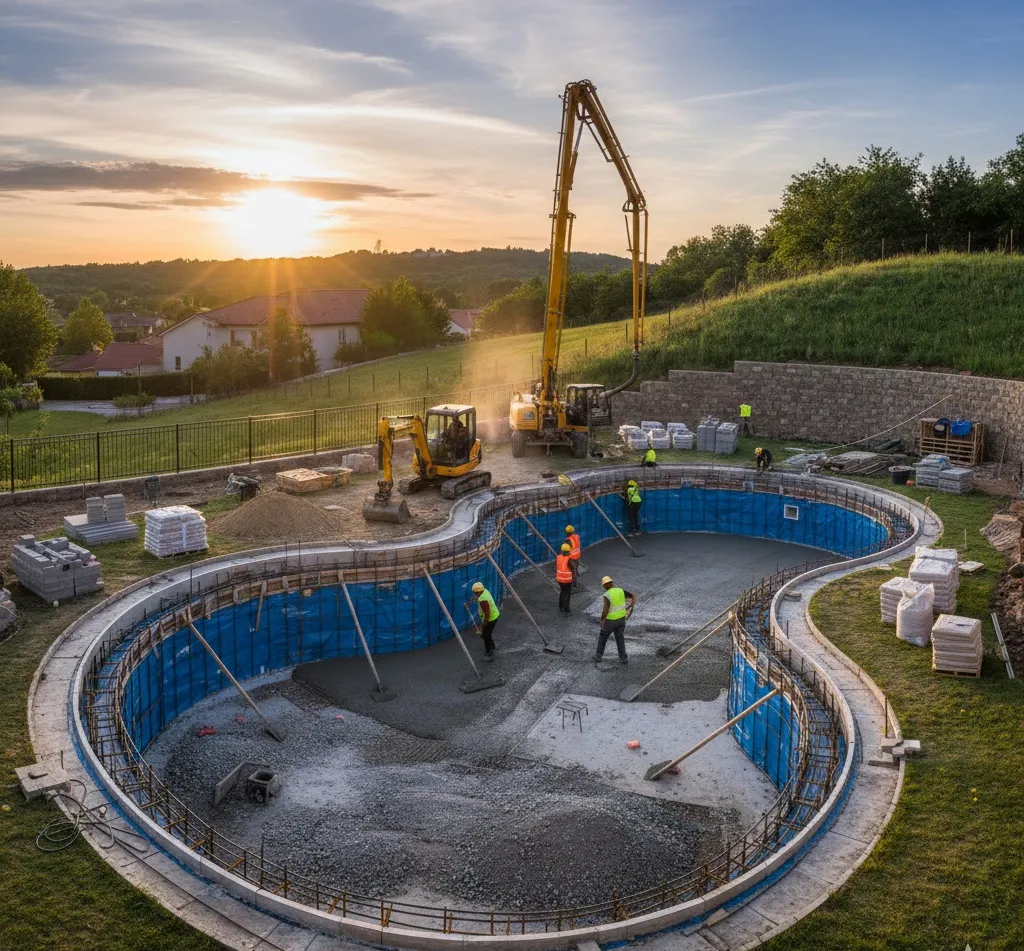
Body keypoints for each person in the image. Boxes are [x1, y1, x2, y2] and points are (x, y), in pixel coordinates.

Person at [595, 575, 636, 665]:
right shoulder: (620, 590)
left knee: (603, 637)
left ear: (604, 586)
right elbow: (633, 596)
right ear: (612, 583)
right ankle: (623, 658)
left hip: (610, 621)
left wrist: (602, 619)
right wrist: (630, 607)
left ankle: (598, 656)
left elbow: (605, 610)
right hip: (621, 619)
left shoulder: (607, 595)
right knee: (620, 638)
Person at [471, 581, 499, 660]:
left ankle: (489, 653)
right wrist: (471, 601)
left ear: (478, 592)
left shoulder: (483, 599)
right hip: (495, 615)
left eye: (475, 593)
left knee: (485, 635)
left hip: (491, 618)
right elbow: (477, 596)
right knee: (487, 633)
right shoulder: (484, 591)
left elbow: (487, 613)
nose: (474, 594)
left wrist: (484, 624)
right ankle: (492, 646)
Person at [555, 543, 574, 614]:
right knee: (567, 594)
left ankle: (561, 606)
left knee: (562, 592)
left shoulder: (558, 557)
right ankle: (566, 609)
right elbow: (572, 568)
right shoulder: (569, 559)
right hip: (567, 580)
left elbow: (557, 565)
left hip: (559, 580)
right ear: (569, 551)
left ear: (561, 551)